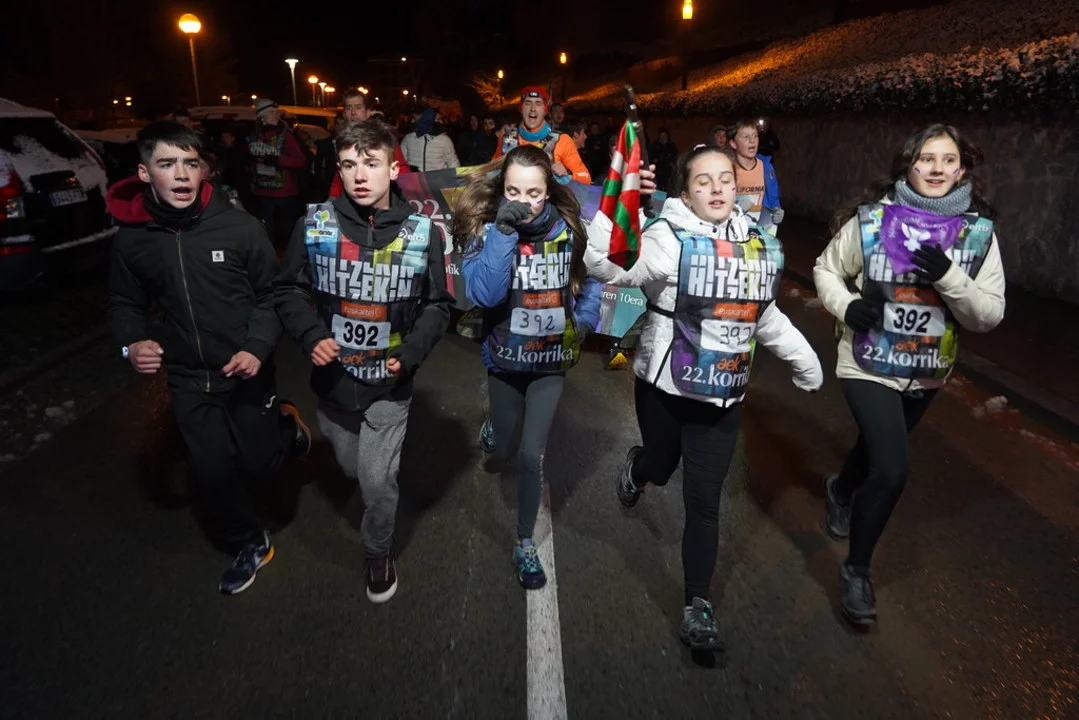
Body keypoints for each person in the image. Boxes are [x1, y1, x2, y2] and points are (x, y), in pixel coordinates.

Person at [585, 144, 822, 651]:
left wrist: (804, 359)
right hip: (665, 388)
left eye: (725, 180)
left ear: (737, 186)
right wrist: (616, 208)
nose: (716, 189)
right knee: (660, 467)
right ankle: (639, 469)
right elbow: (610, 268)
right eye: (703, 181)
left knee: (703, 501)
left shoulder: (756, 243)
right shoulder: (665, 237)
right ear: (686, 192)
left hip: (722, 397)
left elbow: (764, 315)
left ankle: (698, 605)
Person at [106, 121, 312, 595]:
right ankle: (248, 543)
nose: (181, 174)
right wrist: (131, 343)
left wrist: (256, 347)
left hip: (246, 370)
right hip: (187, 377)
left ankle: (283, 425)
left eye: (190, 163)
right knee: (212, 470)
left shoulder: (240, 228)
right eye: (167, 164)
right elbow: (123, 303)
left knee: (259, 465)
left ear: (204, 170)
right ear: (144, 172)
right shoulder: (133, 241)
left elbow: (274, 294)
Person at [812, 124, 1005, 626]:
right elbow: (826, 269)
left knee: (877, 447)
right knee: (893, 469)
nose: (937, 168)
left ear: (961, 169)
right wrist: (846, 306)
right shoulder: (873, 221)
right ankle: (857, 570)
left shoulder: (978, 235)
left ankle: (839, 490)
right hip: (866, 360)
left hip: (927, 369)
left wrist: (948, 275)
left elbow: (988, 315)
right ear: (908, 165)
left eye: (948, 160)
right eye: (926, 158)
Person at [274, 120, 452, 603]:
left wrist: (410, 354)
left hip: (390, 384)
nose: (359, 175)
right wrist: (311, 334)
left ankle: (377, 551)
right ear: (339, 168)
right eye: (349, 164)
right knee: (350, 467)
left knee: (376, 480)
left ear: (393, 169)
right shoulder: (314, 225)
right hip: (334, 382)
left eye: (371, 164)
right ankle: (314, 439)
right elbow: (288, 289)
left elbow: (438, 305)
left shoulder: (422, 233)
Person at [451, 145, 602, 589]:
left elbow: (593, 278)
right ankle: (496, 429)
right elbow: (485, 294)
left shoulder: (569, 229)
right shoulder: (486, 230)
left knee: (531, 454)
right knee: (505, 448)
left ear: (548, 191)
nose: (523, 202)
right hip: (505, 358)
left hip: (550, 362)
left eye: (533, 193)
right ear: (502, 189)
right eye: (513, 191)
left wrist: (583, 321)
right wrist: (502, 233)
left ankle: (523, 542)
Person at [494, 87, 590, 184]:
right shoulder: (507, 138)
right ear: (521, 108)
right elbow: (491, 173)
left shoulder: (562, 140)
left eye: (538, 103)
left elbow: (585, 178)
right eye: (528, 103)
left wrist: (567, 175)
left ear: (545, 110)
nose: (532, 109)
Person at [326, 89, 410, 200]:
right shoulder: (342, 140)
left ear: (368, 112)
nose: (353, 113)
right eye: (349, 108)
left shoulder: (384, 137)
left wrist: (404, 195)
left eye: (358, 107)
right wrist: (332, 197)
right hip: (352, 201)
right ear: (344, 113)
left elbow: (402, 169)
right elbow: (340, 174)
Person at [248, 98, 308, 251]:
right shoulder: (253, 136)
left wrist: (277, 160)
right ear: (262, 117)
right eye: (271, 112)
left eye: (276, 112)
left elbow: (300, 161)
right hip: (263, 191)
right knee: (266, 232)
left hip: (285, 193)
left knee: (287, 234)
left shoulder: (285, 135)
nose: (276, 115)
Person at [728, 119, 784, 235]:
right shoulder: (726, 169)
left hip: (759, 232)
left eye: (755, 136)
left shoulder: (766, 167)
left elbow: (773, 198)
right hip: (732, 232)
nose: (752, 141)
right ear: (733, 143)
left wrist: (777, 210)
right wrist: (736, 207)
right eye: (746, 137)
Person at [401, 108, 460, 172]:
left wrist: (455, 177)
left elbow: (453, 163)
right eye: (438, 119)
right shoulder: (408, 138)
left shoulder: (444, 140)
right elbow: (401, 160)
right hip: (415, 177)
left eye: (440, 119)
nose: (441, 122)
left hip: (437, 177)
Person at [648, 126, 679, 194]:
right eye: (661, 136)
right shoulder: (654, 147)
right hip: (658, 174)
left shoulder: (671, 146)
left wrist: (673, 163)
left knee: (669, 191)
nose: (663, 137)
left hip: (669, 174)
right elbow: (650, 159)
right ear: (658, 136)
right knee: (659, 193)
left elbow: (675, 157)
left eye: (664, 136)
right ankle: (659, 200)